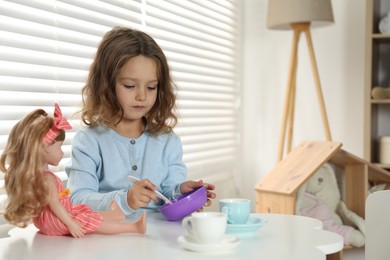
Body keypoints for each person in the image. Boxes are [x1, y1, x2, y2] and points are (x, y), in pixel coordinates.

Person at [65, 26, 216, 216]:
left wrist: (182, 193)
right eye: (129, 86)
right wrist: (126, 199)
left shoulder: (167, 141)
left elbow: (167, 194)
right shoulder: (89, 140)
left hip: (155, 240)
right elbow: (77, 199)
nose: (142, 96)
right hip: (106, 240)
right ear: (106, 85)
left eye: (151, 87)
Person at [0, 104, 146, 237]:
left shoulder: (39, 175)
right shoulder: (47, 178)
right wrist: (71, 224)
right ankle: (133, 227)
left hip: (45, 221)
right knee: (89, 222)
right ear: (44, 148)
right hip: (53, 221)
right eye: (59, 147)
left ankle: (113, 215)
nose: (62, 153)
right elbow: (55, 204)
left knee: (83, 210)